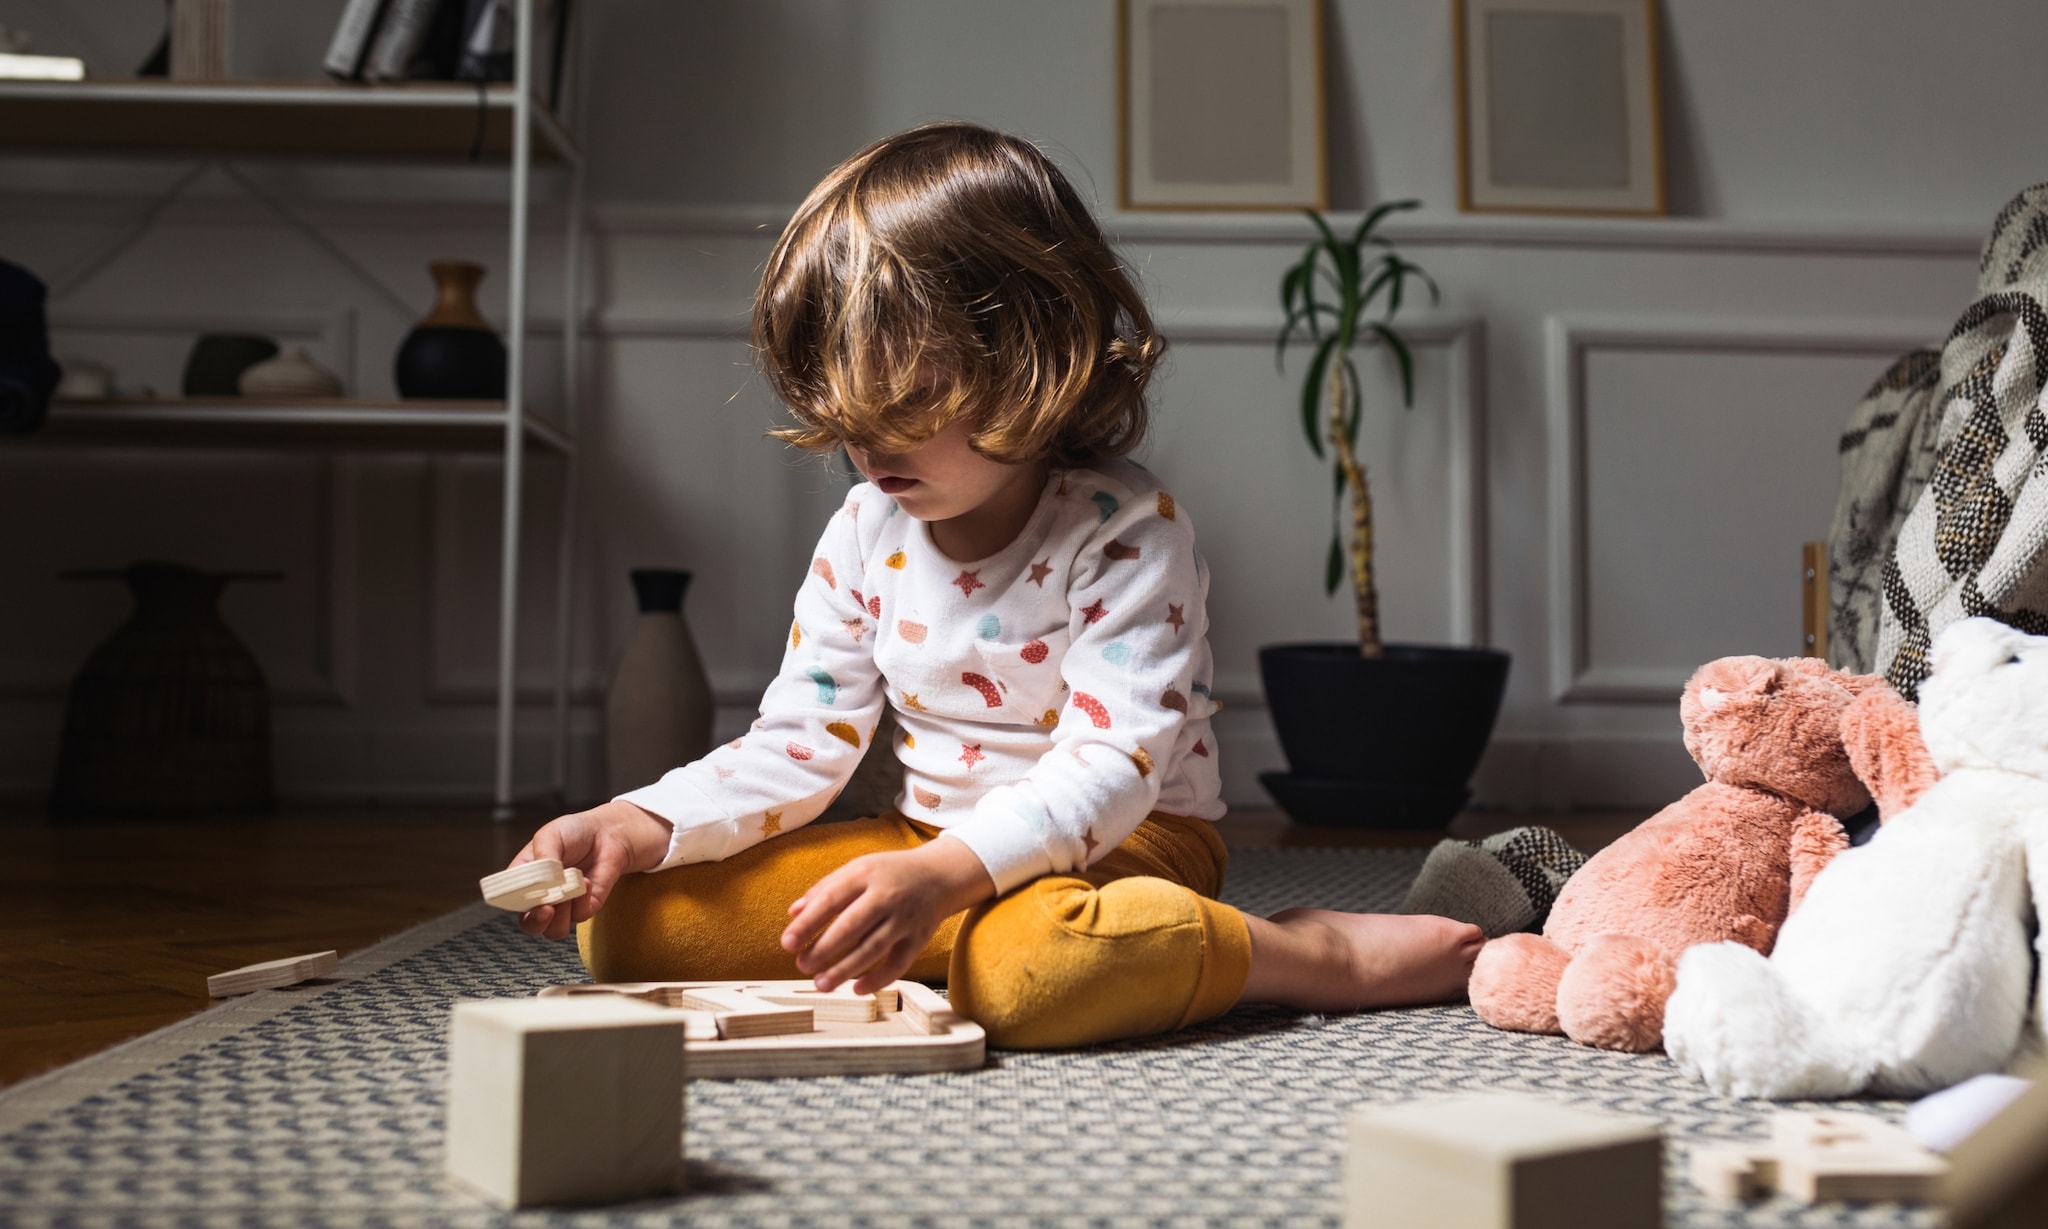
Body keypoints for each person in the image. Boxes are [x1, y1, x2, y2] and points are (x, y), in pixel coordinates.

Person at [503, 122, 1554, 1049]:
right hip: (925, 846)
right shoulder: (865, 528)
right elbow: (797, 745)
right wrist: (638, 820)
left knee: (1035, 971)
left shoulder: (1127, 531)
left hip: (1132, 841)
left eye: (908, 394)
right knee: (627, 924)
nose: (867, 441)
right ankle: (950, 939)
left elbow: (1110, 768)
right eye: (844, 399)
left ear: (1032, 358)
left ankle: (1302, 954)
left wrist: (945, 878)